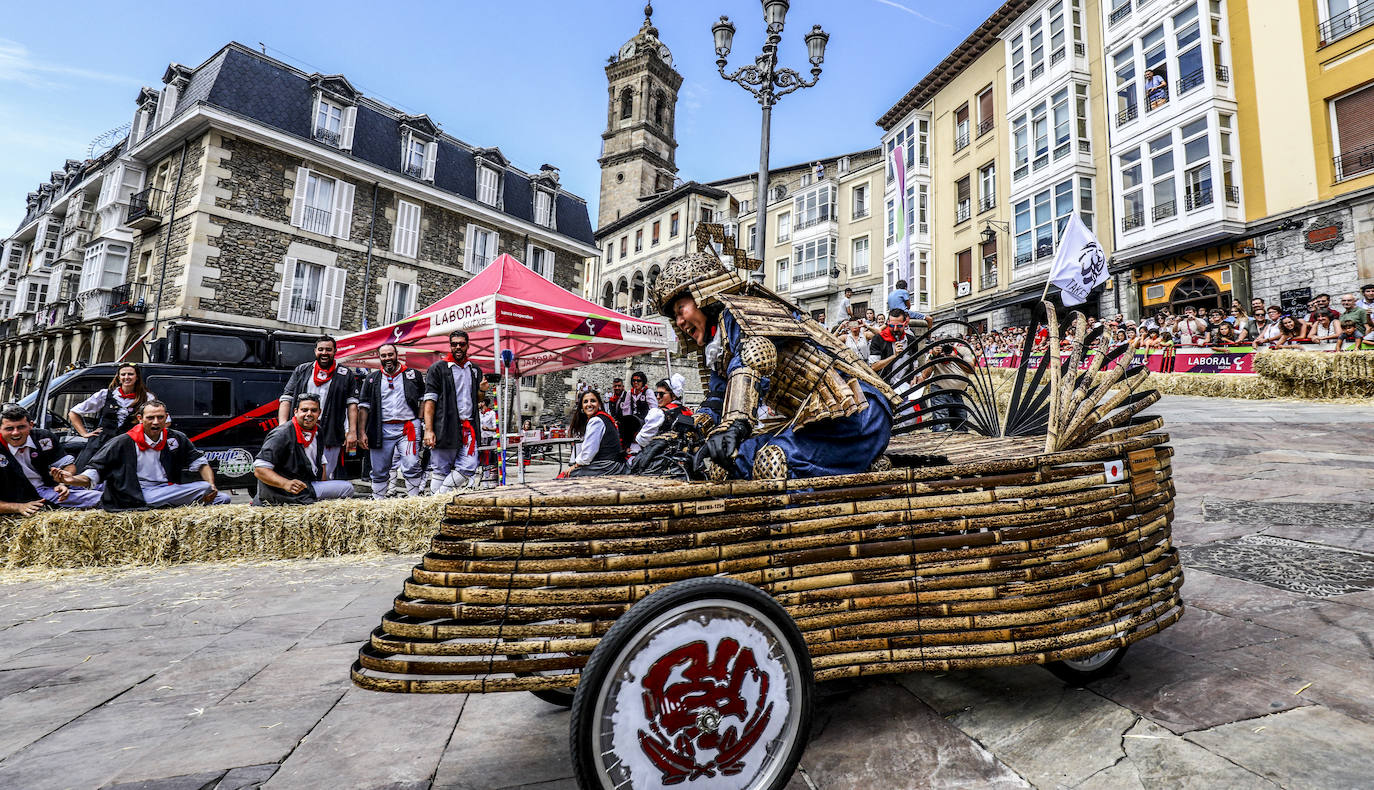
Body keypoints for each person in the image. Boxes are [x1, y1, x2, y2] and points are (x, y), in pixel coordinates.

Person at [654, 251, 897, 480]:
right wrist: (680, 434)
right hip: (816, 422)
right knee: (718, 466)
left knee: (772, 462)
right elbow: (718, 398)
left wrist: (734, 425)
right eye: (674, 317)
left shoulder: (748, 311)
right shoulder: (718, 348)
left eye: (680, 309)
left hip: (857, 411)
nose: (680, 322)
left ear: (703, 296)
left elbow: (755, 356)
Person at [55, 400, 230, 511]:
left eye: (160, 418)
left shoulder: (176, 438)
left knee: (223, 498)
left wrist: (212, 485)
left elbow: (200, 463)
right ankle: (167, 503)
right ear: (140, 418)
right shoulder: (122, 442)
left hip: (168, 490)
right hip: (136, 493)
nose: (156, 422)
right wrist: (71, 480)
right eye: (151, 418)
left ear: (166, 418)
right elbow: (95, 472)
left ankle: (171, 502)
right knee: (201, 489)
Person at [278, 336, 359, 480]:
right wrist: (283, 426)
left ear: (335, 351)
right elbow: (286, 398)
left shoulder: (345, 374)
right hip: (301, 429)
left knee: (326, 474)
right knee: (298, 471)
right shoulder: (302, 370)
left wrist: (352, 431)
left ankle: (321, 499)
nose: (324, 353)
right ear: (315, 351)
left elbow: (352, 404)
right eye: (320, 349)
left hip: (331, 431)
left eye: (328, 349)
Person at [0, 404, 102, 515]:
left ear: (31, 425)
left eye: (21, 427)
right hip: (34, 494)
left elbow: (67, 465)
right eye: (9, 429)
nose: (15, 433)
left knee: (108, 484)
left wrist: (63, 482)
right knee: (101, 498)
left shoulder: (43, 437)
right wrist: (18, 507)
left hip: (55, 484)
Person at [253, 394, 355, 505]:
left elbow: (321, 460)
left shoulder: (318, 431)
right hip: (282, 493)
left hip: (306, 486)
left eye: (313, 410)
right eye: (304, 410)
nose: (309, 414)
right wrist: (285, 483)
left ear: (319, 413)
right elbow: (260, 470)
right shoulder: (281, 434)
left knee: (346, 488)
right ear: (295, 411)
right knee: (347, 488)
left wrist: (322, 486)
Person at [357, 343, 425, 500]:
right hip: (381, 428)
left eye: (390, 355)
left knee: (411, 464)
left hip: (408, 427)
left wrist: (420, 421)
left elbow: (424, 399)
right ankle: (378, 503)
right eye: (384, 355)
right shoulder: (371, 378)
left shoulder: (413, 375)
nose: (387, 358)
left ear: (396, 355)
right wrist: (362, 432)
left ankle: (414, 502)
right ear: (379, 357)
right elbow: (363, 407)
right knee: (379, 469)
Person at [423, 330, 484, 492]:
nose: (458, 347)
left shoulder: (475, 370)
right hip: (444, 425)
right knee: (440, 470)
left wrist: (482, 391)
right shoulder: (437, 369)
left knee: (469, 466)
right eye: (454, 344)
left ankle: (437, 499)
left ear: (468, 346)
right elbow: (429, 401)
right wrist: (428, 430)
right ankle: (438, 508)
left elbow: (477, 400)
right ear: (450, 346)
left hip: (469, 427)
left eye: (462, 344)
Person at [68, 363, 154, 469]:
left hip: (129, 444)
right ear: (118, 377)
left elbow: (164, 422)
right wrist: (84, 434)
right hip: (101, 443)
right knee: (86, 473)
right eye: (123, 374)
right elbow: (73, 412)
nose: (126, 377)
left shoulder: (147, 398)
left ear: (137, 377)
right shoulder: (105, 394)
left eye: (130, 374)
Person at [568, 390, 628, 477]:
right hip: (611, 465)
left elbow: (588, 454)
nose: (589, 404)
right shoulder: (602, 418)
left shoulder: (596, 421)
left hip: (606, 466)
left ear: (599, 404)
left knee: (567, 476)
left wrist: (575, 466)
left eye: (593, 401)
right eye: (585, 402)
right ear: (582, 407)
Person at [917, 343, 973, 432]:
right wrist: (934, 357)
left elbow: (971, 369)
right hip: (940, 391)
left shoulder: (963, 351)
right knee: (941, 425)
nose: (944, 354)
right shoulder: (934, 354)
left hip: (957, 393)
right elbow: (925, 375)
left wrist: (954, 358)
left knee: (961, 424)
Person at [631, 374, 690, 455]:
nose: (658, 397)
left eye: (661, 394)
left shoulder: (659, 414)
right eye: (656, 393)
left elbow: (642, 440)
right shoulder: (687, 411)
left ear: (673, 396)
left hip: (662, 459)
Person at [610, 371, 651, 453]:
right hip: (621, 426)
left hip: (634, 425)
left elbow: (628, 412)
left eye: (619, 386)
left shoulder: (630, 395)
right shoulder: (612, 399)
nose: (617, 388)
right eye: (615, 386)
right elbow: (616, 412)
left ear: (623, 387)